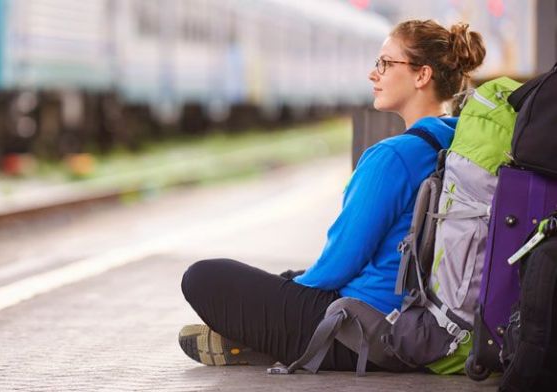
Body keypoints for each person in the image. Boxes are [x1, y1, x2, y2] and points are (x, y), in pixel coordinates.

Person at [178, 19, 486, 372]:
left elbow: (339, 263)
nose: (374, 74)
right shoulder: (459, 145)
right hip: (418, 322)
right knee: (286, 278)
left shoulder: (392, 157)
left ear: (422, 76)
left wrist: (292, 296)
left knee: (202, 277)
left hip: (364, 330)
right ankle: (252, 337)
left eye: (386, 63)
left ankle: (250, 338)